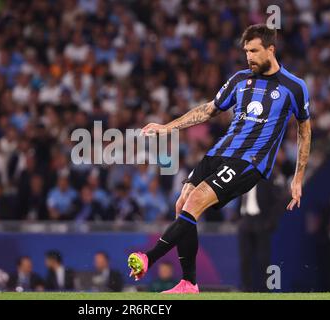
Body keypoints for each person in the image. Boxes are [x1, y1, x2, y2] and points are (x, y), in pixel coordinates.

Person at [128, 24, 312, 294]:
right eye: (246, 51)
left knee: (195, 200)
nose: (248, 56)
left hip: (249, 162)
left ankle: (149, 257)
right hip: (219, 152)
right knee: (182, 204)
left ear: (271, 50)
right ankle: (189, 283)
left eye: (254, 51)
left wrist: (298, 177)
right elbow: (208, 110)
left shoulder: (293, 87)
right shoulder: (239, 80)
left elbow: (305, 131)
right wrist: (168, 127)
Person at [238, 178, 283, 292]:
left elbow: (277, 201)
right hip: (245, 220)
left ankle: (265, 288)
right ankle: (246, 287)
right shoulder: (243, 180)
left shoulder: (266, 180)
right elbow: (239, 199)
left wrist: (270, 221)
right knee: (245, 258)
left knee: (263, 258)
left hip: (261, 221)